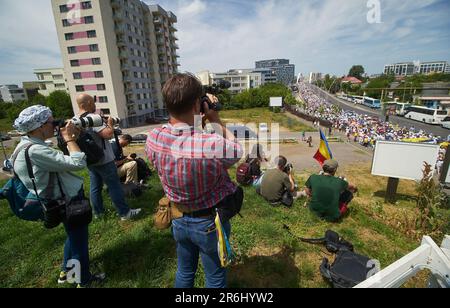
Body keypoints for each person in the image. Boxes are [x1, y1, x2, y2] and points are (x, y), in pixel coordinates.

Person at [146, 73, 243, 288]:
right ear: (196, 105)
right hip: (209, 222)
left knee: (184, 270)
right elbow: (236, 150)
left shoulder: (154, 138)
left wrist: (196, 118)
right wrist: (215, 119)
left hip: (178, 218)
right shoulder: (211, 144)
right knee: (215, 276)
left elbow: (186, 140)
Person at [12, 105, 104, 288]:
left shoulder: (25, 146)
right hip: (68, 200)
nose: (54, 125)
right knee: (79, 243)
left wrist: (72, 139)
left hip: (58, 199)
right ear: (38, 126)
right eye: (50, 122)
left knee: (72, 236)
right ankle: (83, 280)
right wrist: (69, 139)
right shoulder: (36, 151)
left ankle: (66, 273)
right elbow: (78, 162)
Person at [76, 94, 141, 220]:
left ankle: (98, 213)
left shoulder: (76, 119)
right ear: (88, 102)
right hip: (104, 159)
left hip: (90, 160)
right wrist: (110, 124)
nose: (95, 104)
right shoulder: (93, 118)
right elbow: (108, 134)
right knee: (114, 186)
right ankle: (125, 213)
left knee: (95, 188)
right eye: (93, 102)